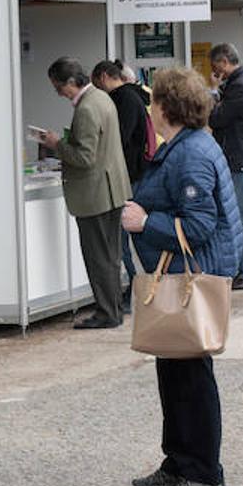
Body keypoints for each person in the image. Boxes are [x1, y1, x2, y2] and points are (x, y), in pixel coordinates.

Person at [119, 67, 241, 486]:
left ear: (167, 108)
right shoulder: (186, 146)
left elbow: (201, 224)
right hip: (179, 276)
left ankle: (205, 472)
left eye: (153, 102)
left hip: (191, 278)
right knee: (173, 370)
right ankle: (178, 461)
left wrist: (143, 221)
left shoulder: (190, 154)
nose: (149, 108)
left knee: (191, 376)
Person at [39, 57, 132, 329]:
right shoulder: (103, 98)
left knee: (98, 257)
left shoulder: (87, 108)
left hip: (94, 194)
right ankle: (113, 309)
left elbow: (85, 157)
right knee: (111, 256)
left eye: (58, 87)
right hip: (111, 188)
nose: (58, 93)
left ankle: (107, 312)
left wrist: (57, 144)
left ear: (70, 82)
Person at [91, 58, 149, 309]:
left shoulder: (123, 100)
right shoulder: (137, 95)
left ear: (104, 77)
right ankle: (136, 287)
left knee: (123, 235)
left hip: (129, 176)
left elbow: (119, 140)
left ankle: (135, 289)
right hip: (137, 173)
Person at [207, 43, 243, 291]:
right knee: (241, 216)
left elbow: (217, 118)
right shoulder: (238, 84)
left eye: (215, 65)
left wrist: (211, 91)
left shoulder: (241, 86)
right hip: (238, 156)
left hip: (239, 158)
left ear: (224, 62)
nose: (214, 70)